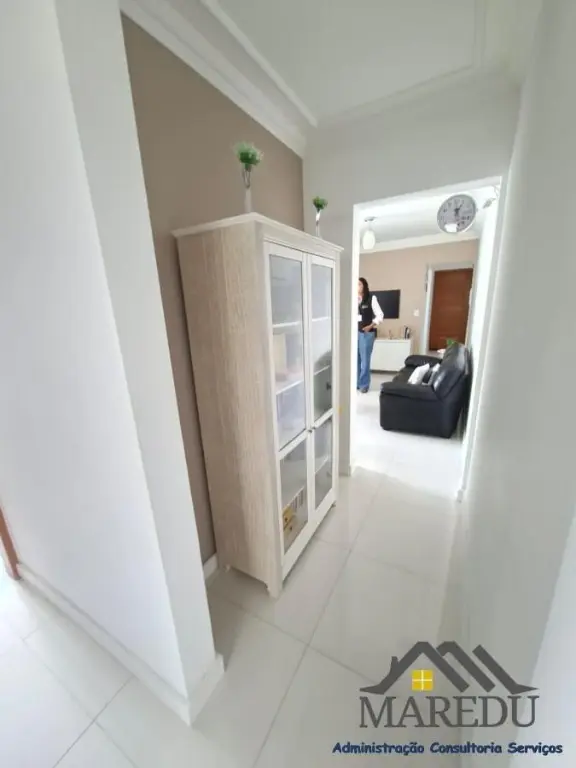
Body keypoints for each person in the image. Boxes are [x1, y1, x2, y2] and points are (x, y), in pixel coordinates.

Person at [357, 277, 384, 392]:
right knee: (356, 359)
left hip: (366, 334)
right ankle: (357, 383)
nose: (357, 287)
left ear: (364, 286)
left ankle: (364, 385)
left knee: (365, 361)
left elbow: (380, 315)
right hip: (355, 333)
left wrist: (370, 326)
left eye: (359, 284)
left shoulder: (371, 298)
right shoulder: (354, 299)